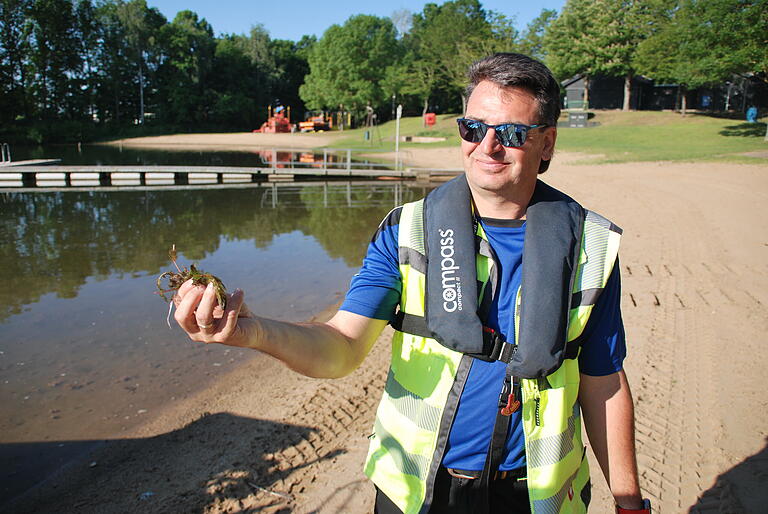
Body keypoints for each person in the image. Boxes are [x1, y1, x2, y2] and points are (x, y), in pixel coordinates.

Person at [172, 53, 650, 514]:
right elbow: (341, 346)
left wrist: (629, 503)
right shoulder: (407, 233)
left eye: (511, 132)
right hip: (416, 489)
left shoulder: (591, 247)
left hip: (533, 496)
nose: (488, 146)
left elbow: (603, 381)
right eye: (473, 128)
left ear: (547, 143)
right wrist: (252, 332)